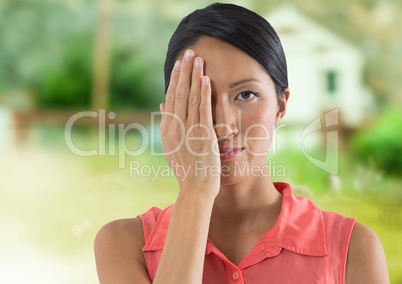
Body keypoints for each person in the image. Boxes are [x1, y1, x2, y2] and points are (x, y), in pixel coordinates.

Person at [94, 3, 389, 284]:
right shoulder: (125, 244)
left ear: (281, 106)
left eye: (246, 95)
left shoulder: (353, 248)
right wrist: (196, 192)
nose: (223, 124)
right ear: (172, 114)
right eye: (201, 99)